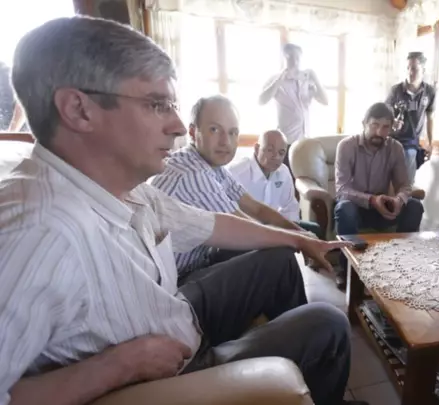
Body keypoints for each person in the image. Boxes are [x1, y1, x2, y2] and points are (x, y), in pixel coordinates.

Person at [0, 16, 367, 405]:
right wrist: (117, 366)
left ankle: (292, 373)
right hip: (169, 370)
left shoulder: (125, 185)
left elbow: (214, 225)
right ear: (79, 110)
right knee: (329, 324)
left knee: (278, 257)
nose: (178, 126)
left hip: (174, 312)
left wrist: (298, 239)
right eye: (156, 104)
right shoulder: (38, 231)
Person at [150, 95, 320, 279]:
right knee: (279, 254)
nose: (225, 141)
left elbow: (256, 208)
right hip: (176, 280)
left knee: (294, 237)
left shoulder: (212, 166)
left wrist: (302, 234)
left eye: (232, 133)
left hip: (198, 260)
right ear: (192, 132)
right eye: (214, 129)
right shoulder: (193, 173)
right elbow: (246, 229)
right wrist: (300, 240)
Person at [333, 102, 424, 289]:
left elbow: (404, 185)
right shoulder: (346, 146)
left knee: (415, 206)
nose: (379, 132)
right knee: (345, 209)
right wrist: (371, 200)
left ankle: (401, 264)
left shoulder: (395, 148)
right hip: (355, 206)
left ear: (391, 128)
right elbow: (342, 188)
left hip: (382, 208)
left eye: (385, 127)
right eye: (374, 125)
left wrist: (399, 200)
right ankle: (345, 269)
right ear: (364, 124)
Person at [227, 129, 323, 239]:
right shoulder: (236, 172)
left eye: (281, 153)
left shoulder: (283, 171)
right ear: (257, 149)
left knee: (315, 230)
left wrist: (291, 234)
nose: (276, 156)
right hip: (245, 229)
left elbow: (290, 207)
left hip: (275, 225)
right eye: (270, 150)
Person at [259, 43, 328, 167]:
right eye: (290, 57)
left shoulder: (306, 79)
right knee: (285, 175)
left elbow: (325, 101)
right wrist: (279, 80)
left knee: (304, 176)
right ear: (284, 57)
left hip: (305, 141)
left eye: (297, 58)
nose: (295, 62)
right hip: (286, 141)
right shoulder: (276, 79)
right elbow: (261, 101)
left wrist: (316, 79)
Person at [385, 52, 435, 185]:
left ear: (423, 70)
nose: (410, 72)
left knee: (407, 177)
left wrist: (430, 143)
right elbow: (384, 112)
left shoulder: (429, 92)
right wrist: (393, 121)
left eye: (414, 69)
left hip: (411, 142)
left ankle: (406, 192)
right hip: (392, 140)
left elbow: (430, 117)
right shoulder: (396, 90)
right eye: (408, 68)